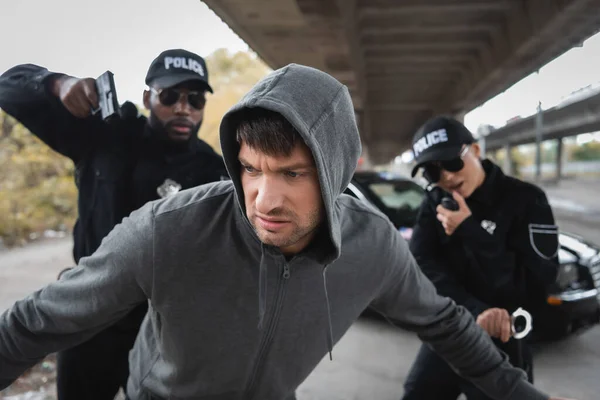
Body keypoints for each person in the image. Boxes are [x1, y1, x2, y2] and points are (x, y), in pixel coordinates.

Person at [0, 64, 572, 400]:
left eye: (293, 174)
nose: (265, 199)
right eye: (251, 169)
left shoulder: (371, 245)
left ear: (336, 173)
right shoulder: (169, 229)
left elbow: (446, 323)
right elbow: (33, 324)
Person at [0, 49, 227, 400]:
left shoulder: (213, 172)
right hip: (88, 316)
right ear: (147, 97)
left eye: (195, 100)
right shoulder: (103, 136)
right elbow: (9, 87)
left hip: (161, 326)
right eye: (170, 96)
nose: (184, 109)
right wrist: (58, 85)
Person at [403, 116, 560, 400]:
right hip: (454, 328)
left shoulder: (527, 199)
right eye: (431, 172)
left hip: (504, 338)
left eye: (452, 162)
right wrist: (475, 310)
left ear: (475, 151)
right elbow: (422, 267)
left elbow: (535, 285)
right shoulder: (435, 201)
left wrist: (470, 231)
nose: (447, 177)